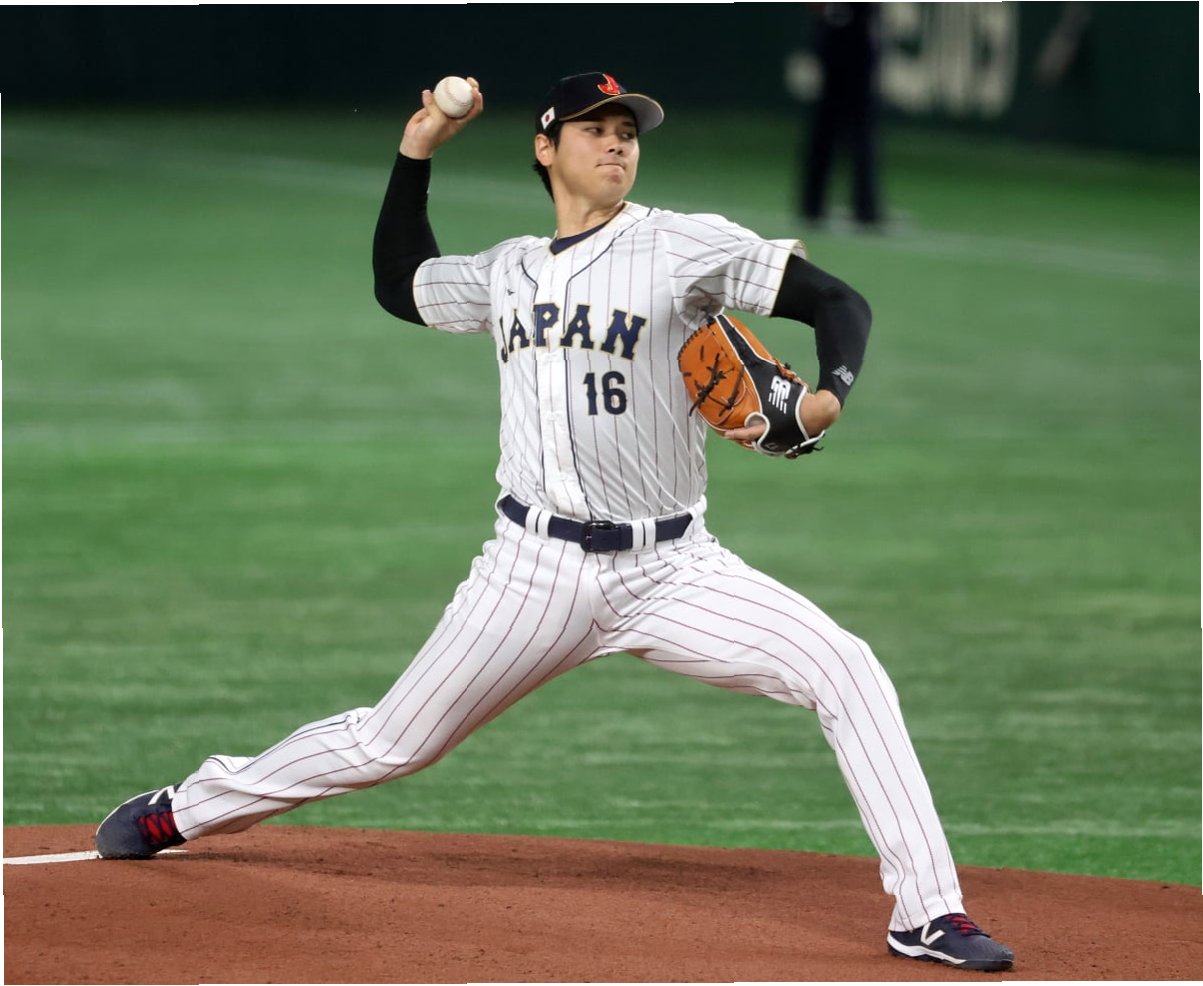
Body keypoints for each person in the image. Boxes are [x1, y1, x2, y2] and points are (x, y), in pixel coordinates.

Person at [94, 71, 1014, 972]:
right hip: (530, 572)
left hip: (674, 570)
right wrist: (416, 153)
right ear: (545, 149)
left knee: (845, 668)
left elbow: (837, 301)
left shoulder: (683, 244)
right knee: (391, 742)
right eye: (593, 129)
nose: (616, 143)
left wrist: (830, 394)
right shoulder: (509, 270)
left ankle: (928, 912)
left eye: (627, 132)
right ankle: (186, 808)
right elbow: (400, 284)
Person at [799, 3, 883, 228]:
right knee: (858, 128)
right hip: (853, 38)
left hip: (832, 37)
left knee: (826, 126)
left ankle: (812, 206)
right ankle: (864, 209)